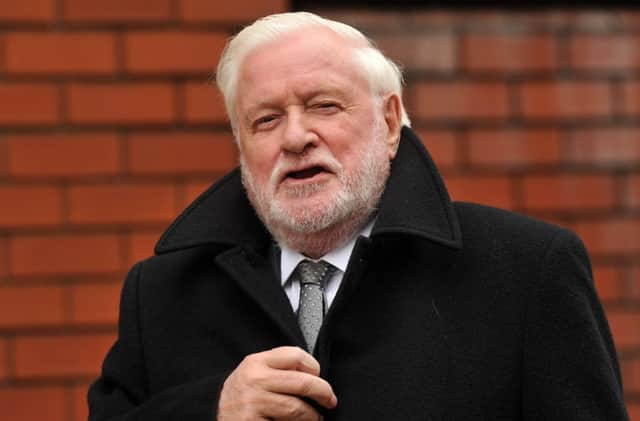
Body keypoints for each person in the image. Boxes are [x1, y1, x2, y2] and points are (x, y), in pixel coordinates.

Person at [88, 11, 629, 421]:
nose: (296, 137)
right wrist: (213, 408)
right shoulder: (160, 295)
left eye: (324, 106)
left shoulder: (525, 271)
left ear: (390, 122)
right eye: (266, 119)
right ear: (240, 143)